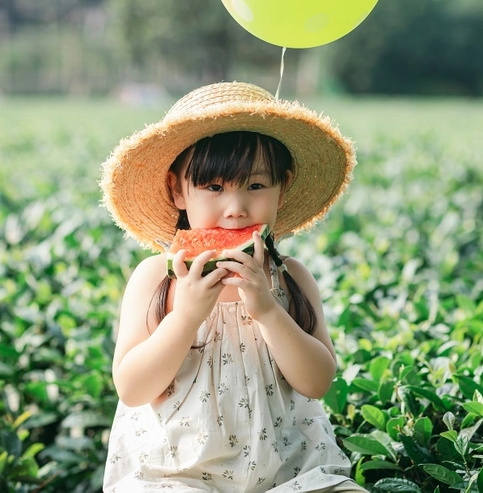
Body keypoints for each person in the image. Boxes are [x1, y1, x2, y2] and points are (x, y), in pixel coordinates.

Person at [100, 82, 364, 492]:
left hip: (291, 474)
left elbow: (317, 382)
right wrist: (185, 316)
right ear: (177, 190)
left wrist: (269, 312)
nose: (236, 208)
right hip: (176, 477)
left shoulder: (291, 279)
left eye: (256, 186)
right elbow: (132, 389)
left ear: (284, 186)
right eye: (214, 187)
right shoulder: (156, 279)